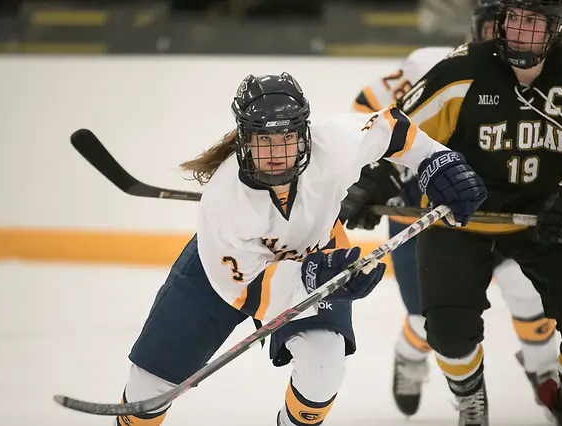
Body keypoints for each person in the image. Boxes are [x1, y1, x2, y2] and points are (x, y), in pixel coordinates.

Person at [113, 72, 487, 426]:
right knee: (150, 385)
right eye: (264, 140)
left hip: (320, 254)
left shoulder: (335, 144)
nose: (277, 152)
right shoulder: (224, 202)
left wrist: (438, 162)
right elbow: (247, 290)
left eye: (287, 138)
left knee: (324, 364)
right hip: (223, 275)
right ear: (244, 140)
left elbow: (393, 128)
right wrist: (315, 276)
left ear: (304, 134)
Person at [344, 0, 562, 424]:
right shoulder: (458, 71)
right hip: (460, 215)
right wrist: (378, 176)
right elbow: (399, 131)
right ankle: (469, 396)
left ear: (557, 28)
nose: (518, 29)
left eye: (532, 20)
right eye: (512, 17)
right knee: (446, 329)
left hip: (549, 218)